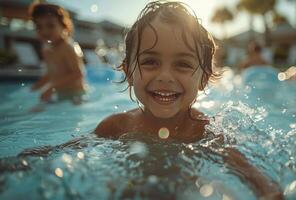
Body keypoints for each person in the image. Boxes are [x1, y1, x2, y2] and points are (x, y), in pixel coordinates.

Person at [95, 1, 283, 199]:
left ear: (203, 78)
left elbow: (254, 176)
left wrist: (269, 192)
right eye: (150, 61)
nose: (165, 76)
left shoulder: (206, 132)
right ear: (128, 72)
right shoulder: (116, 126)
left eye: (182, 64)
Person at [29, 3, 86, 105]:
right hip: (60, 94)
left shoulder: (67, 47)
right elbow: (52, 73)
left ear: (64, 26)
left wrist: (52, 88)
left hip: (76, 95)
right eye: (39, 26)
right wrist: (37, 86)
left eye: (50, 25)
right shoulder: (46, 49)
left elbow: (78, 74)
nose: (44, 31)